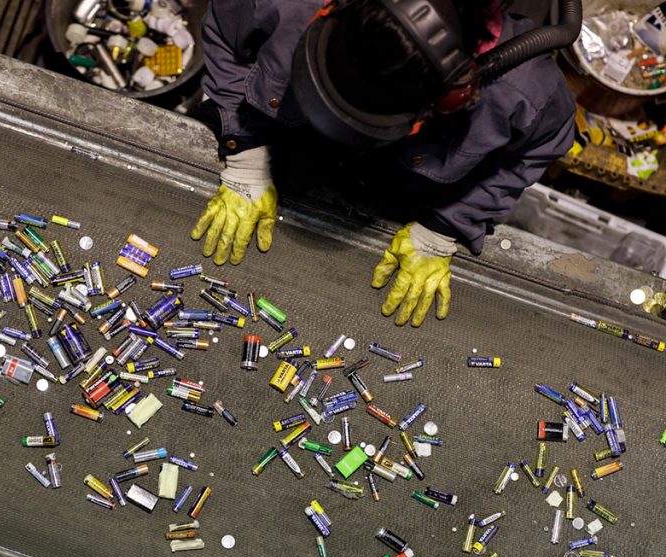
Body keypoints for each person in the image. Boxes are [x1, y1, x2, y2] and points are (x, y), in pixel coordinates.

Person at [190, 0, 579, 327]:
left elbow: (540, 145)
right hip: (285, 131)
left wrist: (447, 225)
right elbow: (226, 35)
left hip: (402, 181)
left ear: (452, 99)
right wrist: (245, 149)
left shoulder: (521, 90)